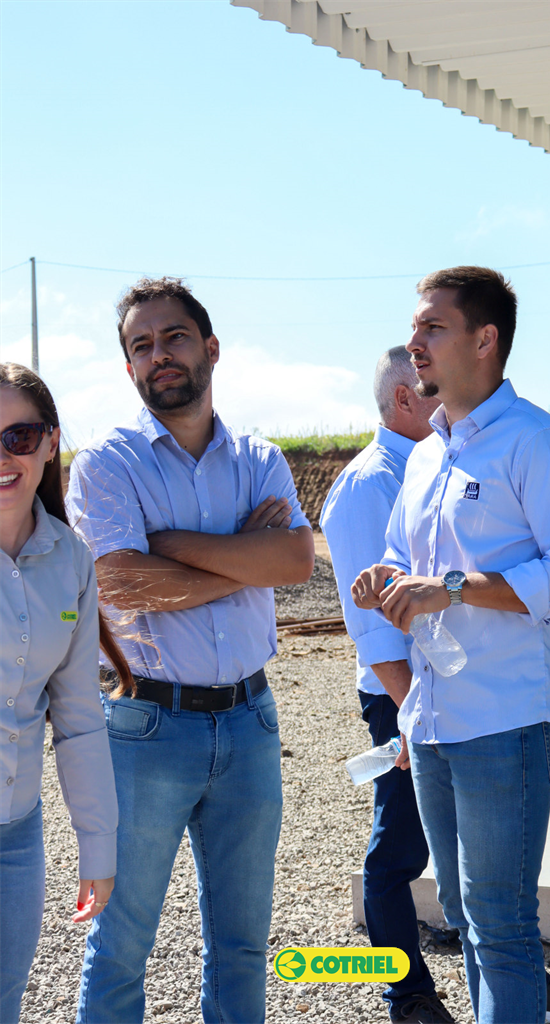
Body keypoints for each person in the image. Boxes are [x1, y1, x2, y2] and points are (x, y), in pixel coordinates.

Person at [351, 267, 550, 1024]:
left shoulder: (539, 442)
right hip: (434, 718)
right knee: (467, 916)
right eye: (414, 328)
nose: (414, 342)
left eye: (432, 327)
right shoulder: (425, 455)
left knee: (498, 923)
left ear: (485, 338)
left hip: (507, 716)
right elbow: (404, 559)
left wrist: (455, 588)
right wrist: (383, 579)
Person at [67, 277, 315, 1024]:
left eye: (173, 336)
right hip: (145, 725)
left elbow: (294, 562)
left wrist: (173, 548)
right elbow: (121, 582)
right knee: (120, 944)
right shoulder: (107, 463)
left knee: (242, 946)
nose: (159, 355)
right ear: (129, 367)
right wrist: (244, 559)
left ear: (210, 347)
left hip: (250, 720)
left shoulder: (260, 458)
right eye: (141, 345)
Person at [321, 346, 450, 1024]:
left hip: (446, 690)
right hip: (403, 694)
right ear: (404, 399)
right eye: (436, 388)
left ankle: (514, 980)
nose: (452, 400)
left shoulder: (432, 467)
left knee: (470, 845)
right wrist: (413, 713)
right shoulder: (368, 485)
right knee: (398, 850)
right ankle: (407, 996)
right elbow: (373, 629)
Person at [0, 363, 123, 1024]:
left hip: (15, 836)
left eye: (17, 437)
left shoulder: (72, 560)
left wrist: (97, 846)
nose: (3, 457)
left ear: (50, 442)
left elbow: (78, 718)